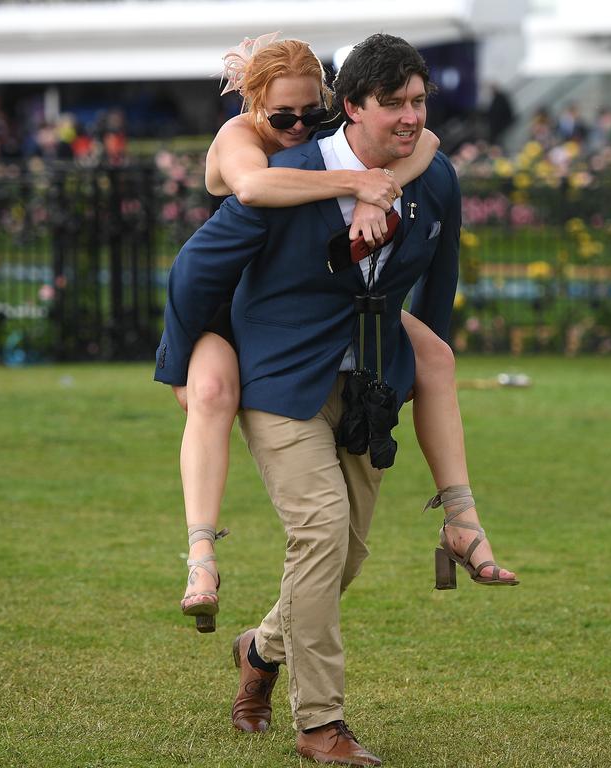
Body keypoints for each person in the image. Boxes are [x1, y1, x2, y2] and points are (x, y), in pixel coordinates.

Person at [156, 33, 515, 765]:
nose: (411, 118)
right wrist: (185, 364)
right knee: (319, 534)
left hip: (369, 388)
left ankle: (259, 650)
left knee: (342, 558)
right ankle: (321, 725)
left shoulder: (434, 176)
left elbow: (435, 287)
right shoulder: (286, 173)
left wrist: (421, 373)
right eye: (395, 105)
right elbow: (196, 269)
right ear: (351, 108)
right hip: (281, 382)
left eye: (419, 102)